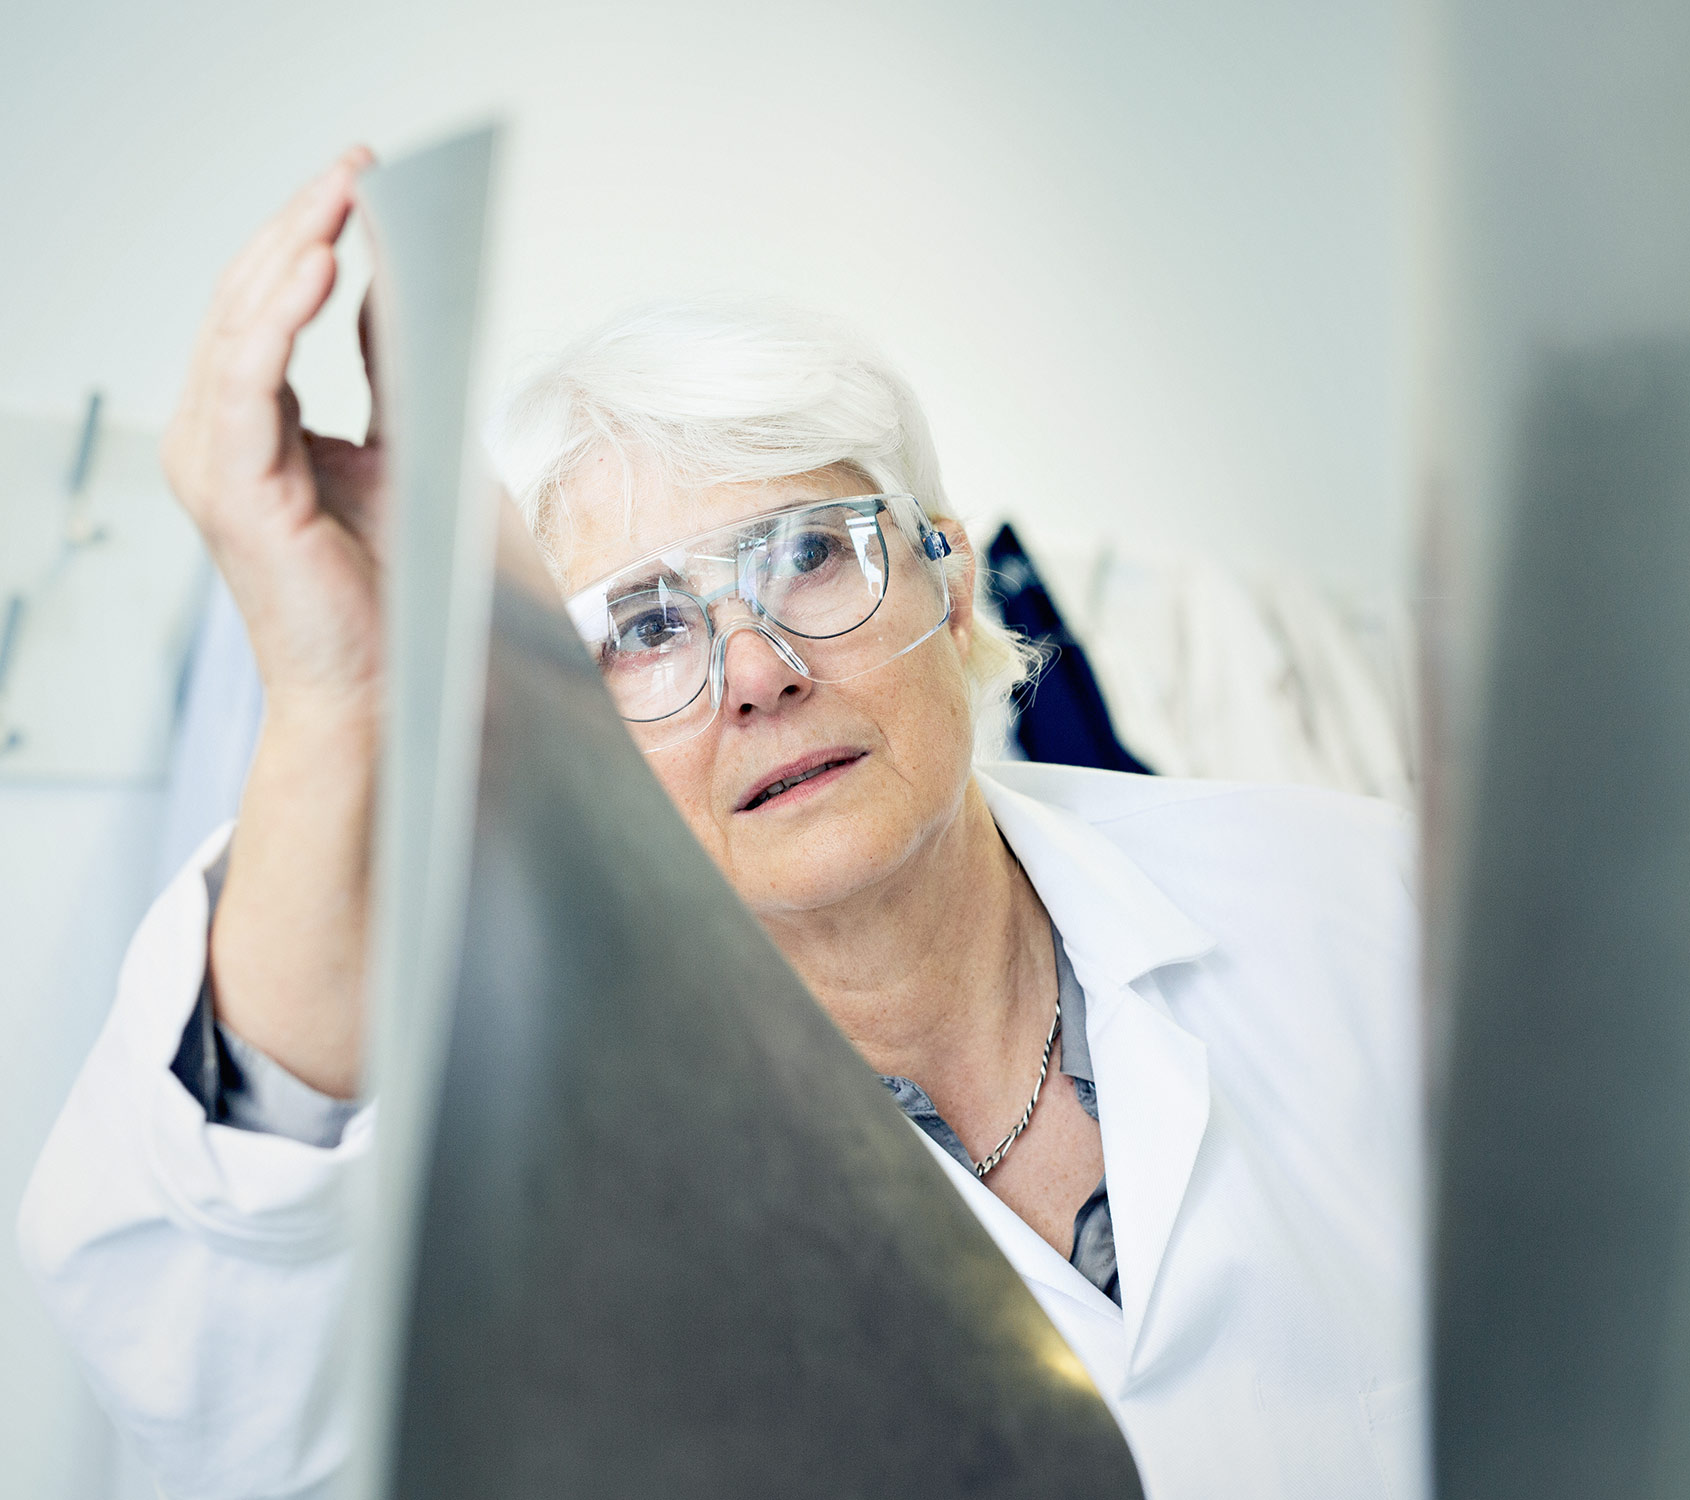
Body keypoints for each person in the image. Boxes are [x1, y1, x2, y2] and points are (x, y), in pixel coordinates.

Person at [17, 151, 1424, 1500]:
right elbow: (226, 1369)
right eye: (639, 631)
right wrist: (338, 691)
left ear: (945, 575)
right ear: (559, 714)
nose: (756, 672)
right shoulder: (524, 1167)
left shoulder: (1351, 904)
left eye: (810, 555)